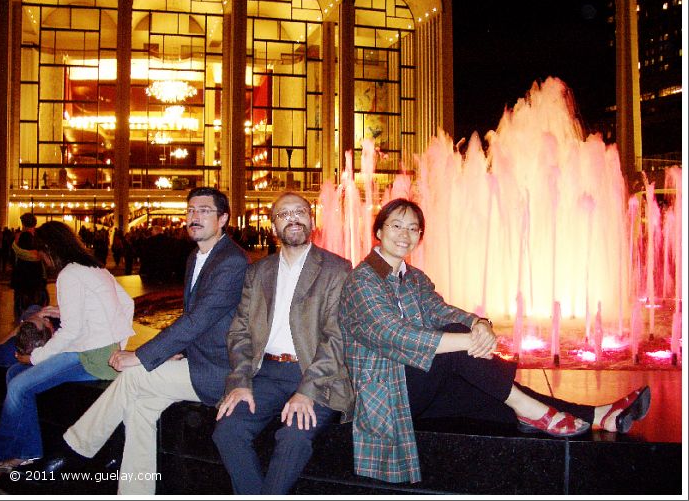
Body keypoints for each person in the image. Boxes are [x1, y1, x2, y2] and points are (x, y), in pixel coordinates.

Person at [339, 198, 652, 484]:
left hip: (421, 384)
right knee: (462, 350)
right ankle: (532, 409)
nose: (404, 234)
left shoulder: (415, 278)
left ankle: (600, 415)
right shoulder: (362, 280)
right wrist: (467, 339)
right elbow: (394, 334)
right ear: (379, 230)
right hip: (384, 393)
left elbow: (440, 310)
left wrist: (479, 323)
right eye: (396, 225)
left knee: (502, 399)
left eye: (413, 228)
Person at [33, 187, 249, 495]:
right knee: (140, 409)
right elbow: (200, 321)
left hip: (219, 370)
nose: (194, 217)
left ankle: (74, 449)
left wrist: (143, 355)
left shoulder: (231, 261)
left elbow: (198, 319)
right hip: (197, 360)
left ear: (224, 218)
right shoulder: (196, 256)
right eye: (190, 211)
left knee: (133, 376)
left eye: (204, 211)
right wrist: (175, 351)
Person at [213, 192, 354, 495]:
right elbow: (239, 332)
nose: (293, 218)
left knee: (294, 436)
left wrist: (307, 391)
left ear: (311, 219)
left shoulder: (337, 269)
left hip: (316, 374)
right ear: (272, 226)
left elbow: (337, 336)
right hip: (267, 373)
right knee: (228, 430)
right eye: (283, 214)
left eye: (300, 211)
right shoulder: (258, 271)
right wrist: (240, 380)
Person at [0, 221, 135, 476]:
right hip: (102, 351)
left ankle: (6, 456)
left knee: (18, 384)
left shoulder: (69, 274)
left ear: (50, 249)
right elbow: (126, 304)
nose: (41, 257)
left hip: (89, 356)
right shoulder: (96, 268)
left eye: (41, 252)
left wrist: (35, 357)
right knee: (14, 374)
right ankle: (27, 451)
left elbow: (70, 332)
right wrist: (117, 343)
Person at [10, 213, 49, 321]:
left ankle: (23, 322)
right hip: (36, 273)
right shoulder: (37, 236)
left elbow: (18, 255)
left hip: (24, 274)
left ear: (23, 223)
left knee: (21, 301)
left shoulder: (23, 236)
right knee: (37, 300)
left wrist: (15, 247)